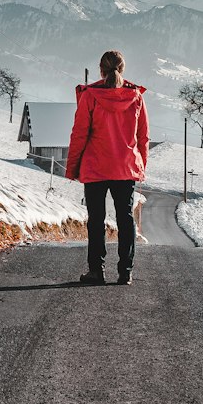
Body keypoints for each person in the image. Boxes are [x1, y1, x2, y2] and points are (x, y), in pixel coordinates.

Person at [65, 50, 149, 286]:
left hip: (95, 167)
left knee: (96, 219)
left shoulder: (90, 96)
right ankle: (126, 271)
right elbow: (143, 137)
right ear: (122, 69)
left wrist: (72, 167)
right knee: (125, 219)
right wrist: (140, 165)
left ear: (101, 70)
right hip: (125, 168)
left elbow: (79, 134)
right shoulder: (135, 97)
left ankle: (96, 271)